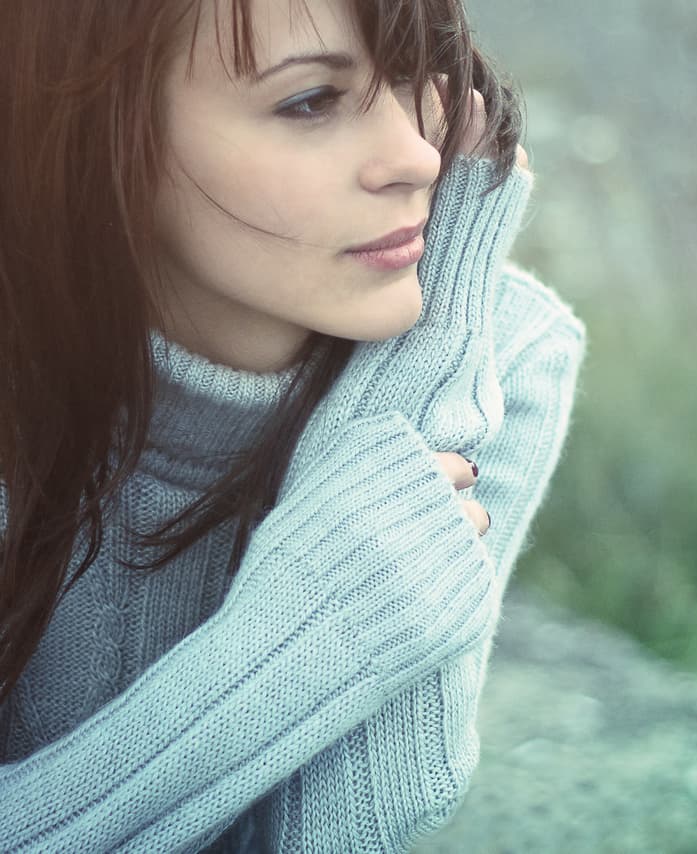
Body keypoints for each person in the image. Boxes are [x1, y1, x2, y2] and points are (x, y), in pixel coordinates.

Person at [0, 0, 584, 849]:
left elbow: (361, 823)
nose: (417, 157)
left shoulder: (507, 358)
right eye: (310, 100)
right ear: (101, 131)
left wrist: (431, 351)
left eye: (420, 73)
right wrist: (302, 643)